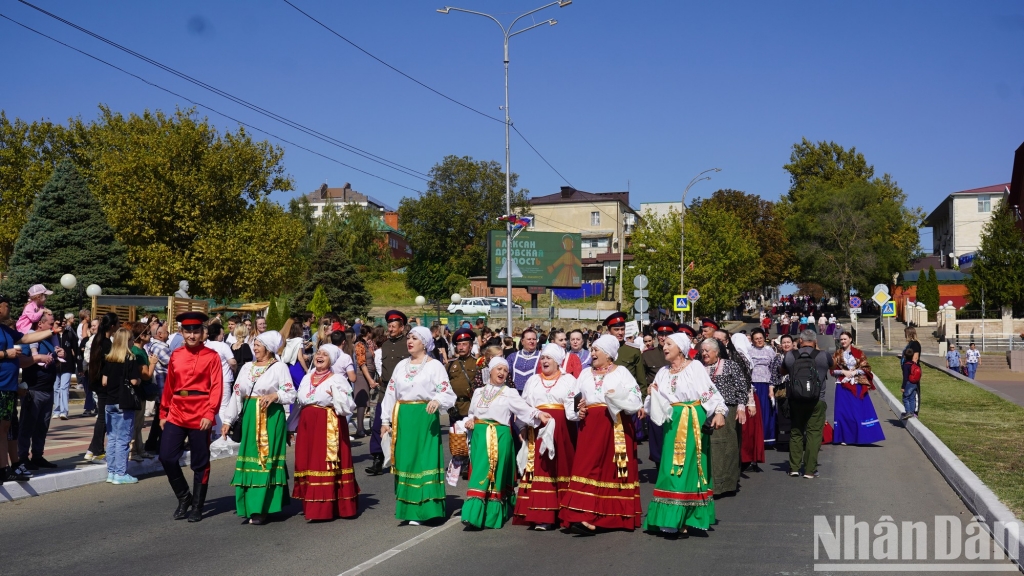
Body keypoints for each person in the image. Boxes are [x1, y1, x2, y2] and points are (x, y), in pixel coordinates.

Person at [643, 332, 726, 536]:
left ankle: (686, 517)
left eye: (669, 344)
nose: (664, 346)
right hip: (672, 422)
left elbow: (709, 391)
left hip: (692, 421)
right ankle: (671, 515)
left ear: (680, 347)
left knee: (690, 467)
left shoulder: (694, 367)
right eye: (664, 344)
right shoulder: (662, 372)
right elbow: (656, 401)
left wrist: (719, 411)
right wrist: (650, 392)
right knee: (670, 466)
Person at [559, 335, 644, 535]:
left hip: (615, 425)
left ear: (609, 354)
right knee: (587, 467)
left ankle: (605, 517)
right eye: (593, 349)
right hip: (590, 426)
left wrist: (617, 397)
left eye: (597, 350)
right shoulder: (585, 374)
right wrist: (577, 411)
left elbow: (636, 398)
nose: (593, 353)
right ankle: (582, 513)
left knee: (609, 469)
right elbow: (574, 398)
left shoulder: (621, 372)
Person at [461, 356, 550, 530]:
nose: (502, 373)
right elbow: (472, 412)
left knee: (492, 474)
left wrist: (539, 415)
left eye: (505, 370)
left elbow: (523, 409)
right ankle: (480, 514)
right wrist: (470, 420)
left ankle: (481, 516)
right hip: (480, 436)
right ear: (491, 371)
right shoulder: (479, 392)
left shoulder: (509, 392)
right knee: (482, 472)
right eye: (499, 369)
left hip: (499, 435)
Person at [379, 326, 456, 525]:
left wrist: (437, 400)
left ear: (425, 342)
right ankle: (410, 509)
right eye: (409, 338)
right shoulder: (401, 365)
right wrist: (385, 421)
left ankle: (427, 509)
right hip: (403, 416)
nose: (410, 341)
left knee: (424, 460)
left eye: (415, 338)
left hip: (425, 417)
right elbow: (390, 393)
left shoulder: (434, 366)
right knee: (406, 460)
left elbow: (447, 392)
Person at [222, 330, 296, 525]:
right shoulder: (247, 367)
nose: (254, 348)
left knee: (265, 461)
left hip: (271, 418)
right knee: (250, 460)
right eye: (254, 344)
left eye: (258, 344)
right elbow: (237, 393)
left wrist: (275, 396)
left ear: (269, 348)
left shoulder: (279, 367)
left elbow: (290, 393)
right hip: (250, 417)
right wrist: (228, 420)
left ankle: (262, 508)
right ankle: (249, 506)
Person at [158, 312, 224, 523]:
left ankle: (197, 505)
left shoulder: (212, 356)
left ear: (203, 333)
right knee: (166, 456)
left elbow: (216, 387)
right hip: (177, 410)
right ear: (181, 332)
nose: (192, 335)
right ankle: (184, 496)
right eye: (188, 331)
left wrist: (209, 412)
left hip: (200, 412)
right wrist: (163, 411)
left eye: (196, 331)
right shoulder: (176, 355)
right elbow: (169, 386)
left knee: (200, 461)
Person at [288, 344, 359, 521]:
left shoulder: (338, 379)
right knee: (308, 462)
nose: (319, 356)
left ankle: (326, 508)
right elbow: (299, 403)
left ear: (331, 360)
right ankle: (312, 504)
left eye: (325, 354)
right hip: (307, 425)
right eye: (318, 353)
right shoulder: (307, 377)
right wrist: (290, 426)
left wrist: (336, 397)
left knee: (323, 463)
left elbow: (349, 405)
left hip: (327, 424)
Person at [513, 343, 578, 530]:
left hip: (562, 430)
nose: (544, 361)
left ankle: (564, 512)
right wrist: (523, 426)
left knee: (560, 468)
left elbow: (573, 408)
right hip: (537, 428)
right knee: (542, 469)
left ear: (558, 361)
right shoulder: (533, 381)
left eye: (548, 358)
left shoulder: (569, 381)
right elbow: (523, 406)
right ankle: (543, 515)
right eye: (542, 358)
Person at [781, 330, 833, 478]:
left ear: (800, 341)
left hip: (795, 400)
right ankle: (810, 470)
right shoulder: (823, 356)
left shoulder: (791, 355)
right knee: (814, 434)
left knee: (796, 432)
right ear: (815, 341)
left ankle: (794, 468)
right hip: (817, 400)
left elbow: (782, 371)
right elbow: (833, 366)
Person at [700, 338, 748, 495]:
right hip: (704, 410)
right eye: (703, 350)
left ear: (717, 352)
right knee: (707, 446)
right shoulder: (698, 368)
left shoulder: (730, 365)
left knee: (726, 446)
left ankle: (725, 484)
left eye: (707, 350)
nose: (704, 353)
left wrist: (741, 407)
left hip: (728, 409)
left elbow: (742, 387)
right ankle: (707, 483)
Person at [366, 310, 410, 476]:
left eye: (393, 326)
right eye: (389, 326)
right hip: (385, 392)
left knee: (402, 426)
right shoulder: (384, 345)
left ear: (402, 328)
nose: (390, 329)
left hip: (403, 392)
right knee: (378, 424)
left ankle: (402, 458)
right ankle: (377, 459)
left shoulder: (408, 343)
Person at [17, 311, 61, 471]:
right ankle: (22, 457)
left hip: (48, 389)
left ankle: (37, 455)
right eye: (50, 324)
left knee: (42, 425)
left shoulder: (49, 340)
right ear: (40, 324)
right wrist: (38, 358)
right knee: (27, 425)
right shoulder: (29, 340)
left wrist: (56, 358)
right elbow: (21, 361)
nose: (52, 327)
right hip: (33, 390)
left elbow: (51, 359)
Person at [101, 328, 143, 484]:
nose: (133, 341)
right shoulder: (130, 358)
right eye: (131, 339)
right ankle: (120, 473)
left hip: (110, 401)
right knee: (123, 439)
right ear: (127, 341)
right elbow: (133, 381)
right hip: (124, 402)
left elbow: (104, 381)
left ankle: (111, 472)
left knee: (112, 438)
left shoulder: (109, 358)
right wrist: (139, 381)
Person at [831, 332, 885, 446]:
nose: (843, 341)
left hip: (856, 385)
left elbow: (866, 368)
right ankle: (845, 437)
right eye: (841, 339)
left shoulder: (858, 353)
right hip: (842, 385)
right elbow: (832, 370)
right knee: (843, 412)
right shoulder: (836, 354)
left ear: (850, 339)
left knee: (857, 411)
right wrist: (843, 372)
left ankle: (861, 436)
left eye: (845, 339)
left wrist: (855, 372)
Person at [85, 312, 120, 463]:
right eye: (118, 323)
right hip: (103, 384)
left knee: (103, 417)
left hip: (99, 383)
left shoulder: (100, 340)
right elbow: (108, 365)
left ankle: (92, 449)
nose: (119, 326)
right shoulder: (105, 342)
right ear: (112, 326)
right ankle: (97, 450)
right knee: (103, 418)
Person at [641, 321, 675, 466]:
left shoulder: (679, 353)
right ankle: (659, 466)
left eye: (667, 334)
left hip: (674, 402)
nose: (663, 337)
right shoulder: (648, 355)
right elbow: (641, 379)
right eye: (661, 334)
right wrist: (645, 393)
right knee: (657, 439)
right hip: (656, 402)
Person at [446, 328, 478, 475]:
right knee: (457, 435)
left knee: (471, 435)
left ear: (470, 346)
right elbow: (445, 386)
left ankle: (470, 463)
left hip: (471, 404)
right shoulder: (450, 365)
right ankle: (459, 461)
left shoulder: (478, 364)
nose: (461, 347)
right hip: (455, 406)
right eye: (459, 345)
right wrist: (447, 406)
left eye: (464, 344)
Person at [128, 323, 158, 461]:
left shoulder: (141, 350)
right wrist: (153, 363)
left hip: (141, 391)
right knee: (136, 422)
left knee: (139, 422)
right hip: (138, 390)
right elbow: (145, 375)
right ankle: (133, 451)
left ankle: (140, 449)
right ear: (142, 336)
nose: (151, 336)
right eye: (148, 333)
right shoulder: (138, 352)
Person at [747, 328, 779, 451]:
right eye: (756, 339)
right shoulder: (749, 351)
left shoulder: (769, 351)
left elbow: (773, 369)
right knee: (754, 411)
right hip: (753, 384)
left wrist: (771, 387)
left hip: (766, 384)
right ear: (753, 340)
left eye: (761, 338)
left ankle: (767, 438)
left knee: (766, 412)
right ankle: (754, 438)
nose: (759, 341)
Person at [351, 326, 376, 439]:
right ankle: (360, 428)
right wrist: (370, 379)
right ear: (369, 333)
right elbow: (362, 363)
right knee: (361, 402)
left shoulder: (366, 344)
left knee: (365, 402)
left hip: (369, 374)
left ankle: (361, 427)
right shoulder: (360, 345)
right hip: (362, 375)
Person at [54, 316, 79, 421]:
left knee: (64, 388)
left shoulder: (69, 334)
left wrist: (79, 365)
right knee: (56, 387)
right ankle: (56, 410)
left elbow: (76, 349)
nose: (62, 324)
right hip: (55, 365)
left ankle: (64, 411)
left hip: (67, 365)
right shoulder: (53, 335)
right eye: (60, 322)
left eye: (64, 322)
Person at [506, 328, 541, 393]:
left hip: (534, 393)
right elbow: (506, 373)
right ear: (522, 341)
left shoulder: (542, 357)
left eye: (534, 339)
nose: (532, 341)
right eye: (529, 339)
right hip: (515, 393)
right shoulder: (512, 357)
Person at [900, 348, 921, 420]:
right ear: (912, 356)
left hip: (908, 383)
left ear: (905, 356)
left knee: (905, 398)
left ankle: (908, 412)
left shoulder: (906, 365)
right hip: (915, 383)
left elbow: (905, 377)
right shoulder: (914, 364)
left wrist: (903, 387)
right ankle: (912, 412)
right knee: (912, 398)